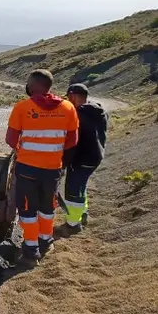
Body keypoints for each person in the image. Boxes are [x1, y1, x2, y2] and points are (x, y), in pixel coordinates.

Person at [5, 69, 79, 263]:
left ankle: (30, 250)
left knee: (28, 209)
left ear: (34, 85)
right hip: (52, 168)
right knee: (48, 206)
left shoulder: (22, 108)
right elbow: (72, 140)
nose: (27, 86)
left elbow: (11, 139)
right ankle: (45, 241)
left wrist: (25, 148)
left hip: (27, 168)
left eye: (29, 82)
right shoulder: (68, 108)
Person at [58, 83, 109, 236]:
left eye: (68, 97)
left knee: (73, 191)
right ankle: (83, 214)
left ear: (73, 96)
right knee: (81, 187)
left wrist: (64, 164)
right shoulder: (99, 110)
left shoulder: (77, 115)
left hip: (81, 159)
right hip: (96, 156)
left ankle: (72, 225)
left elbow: (73, 142)